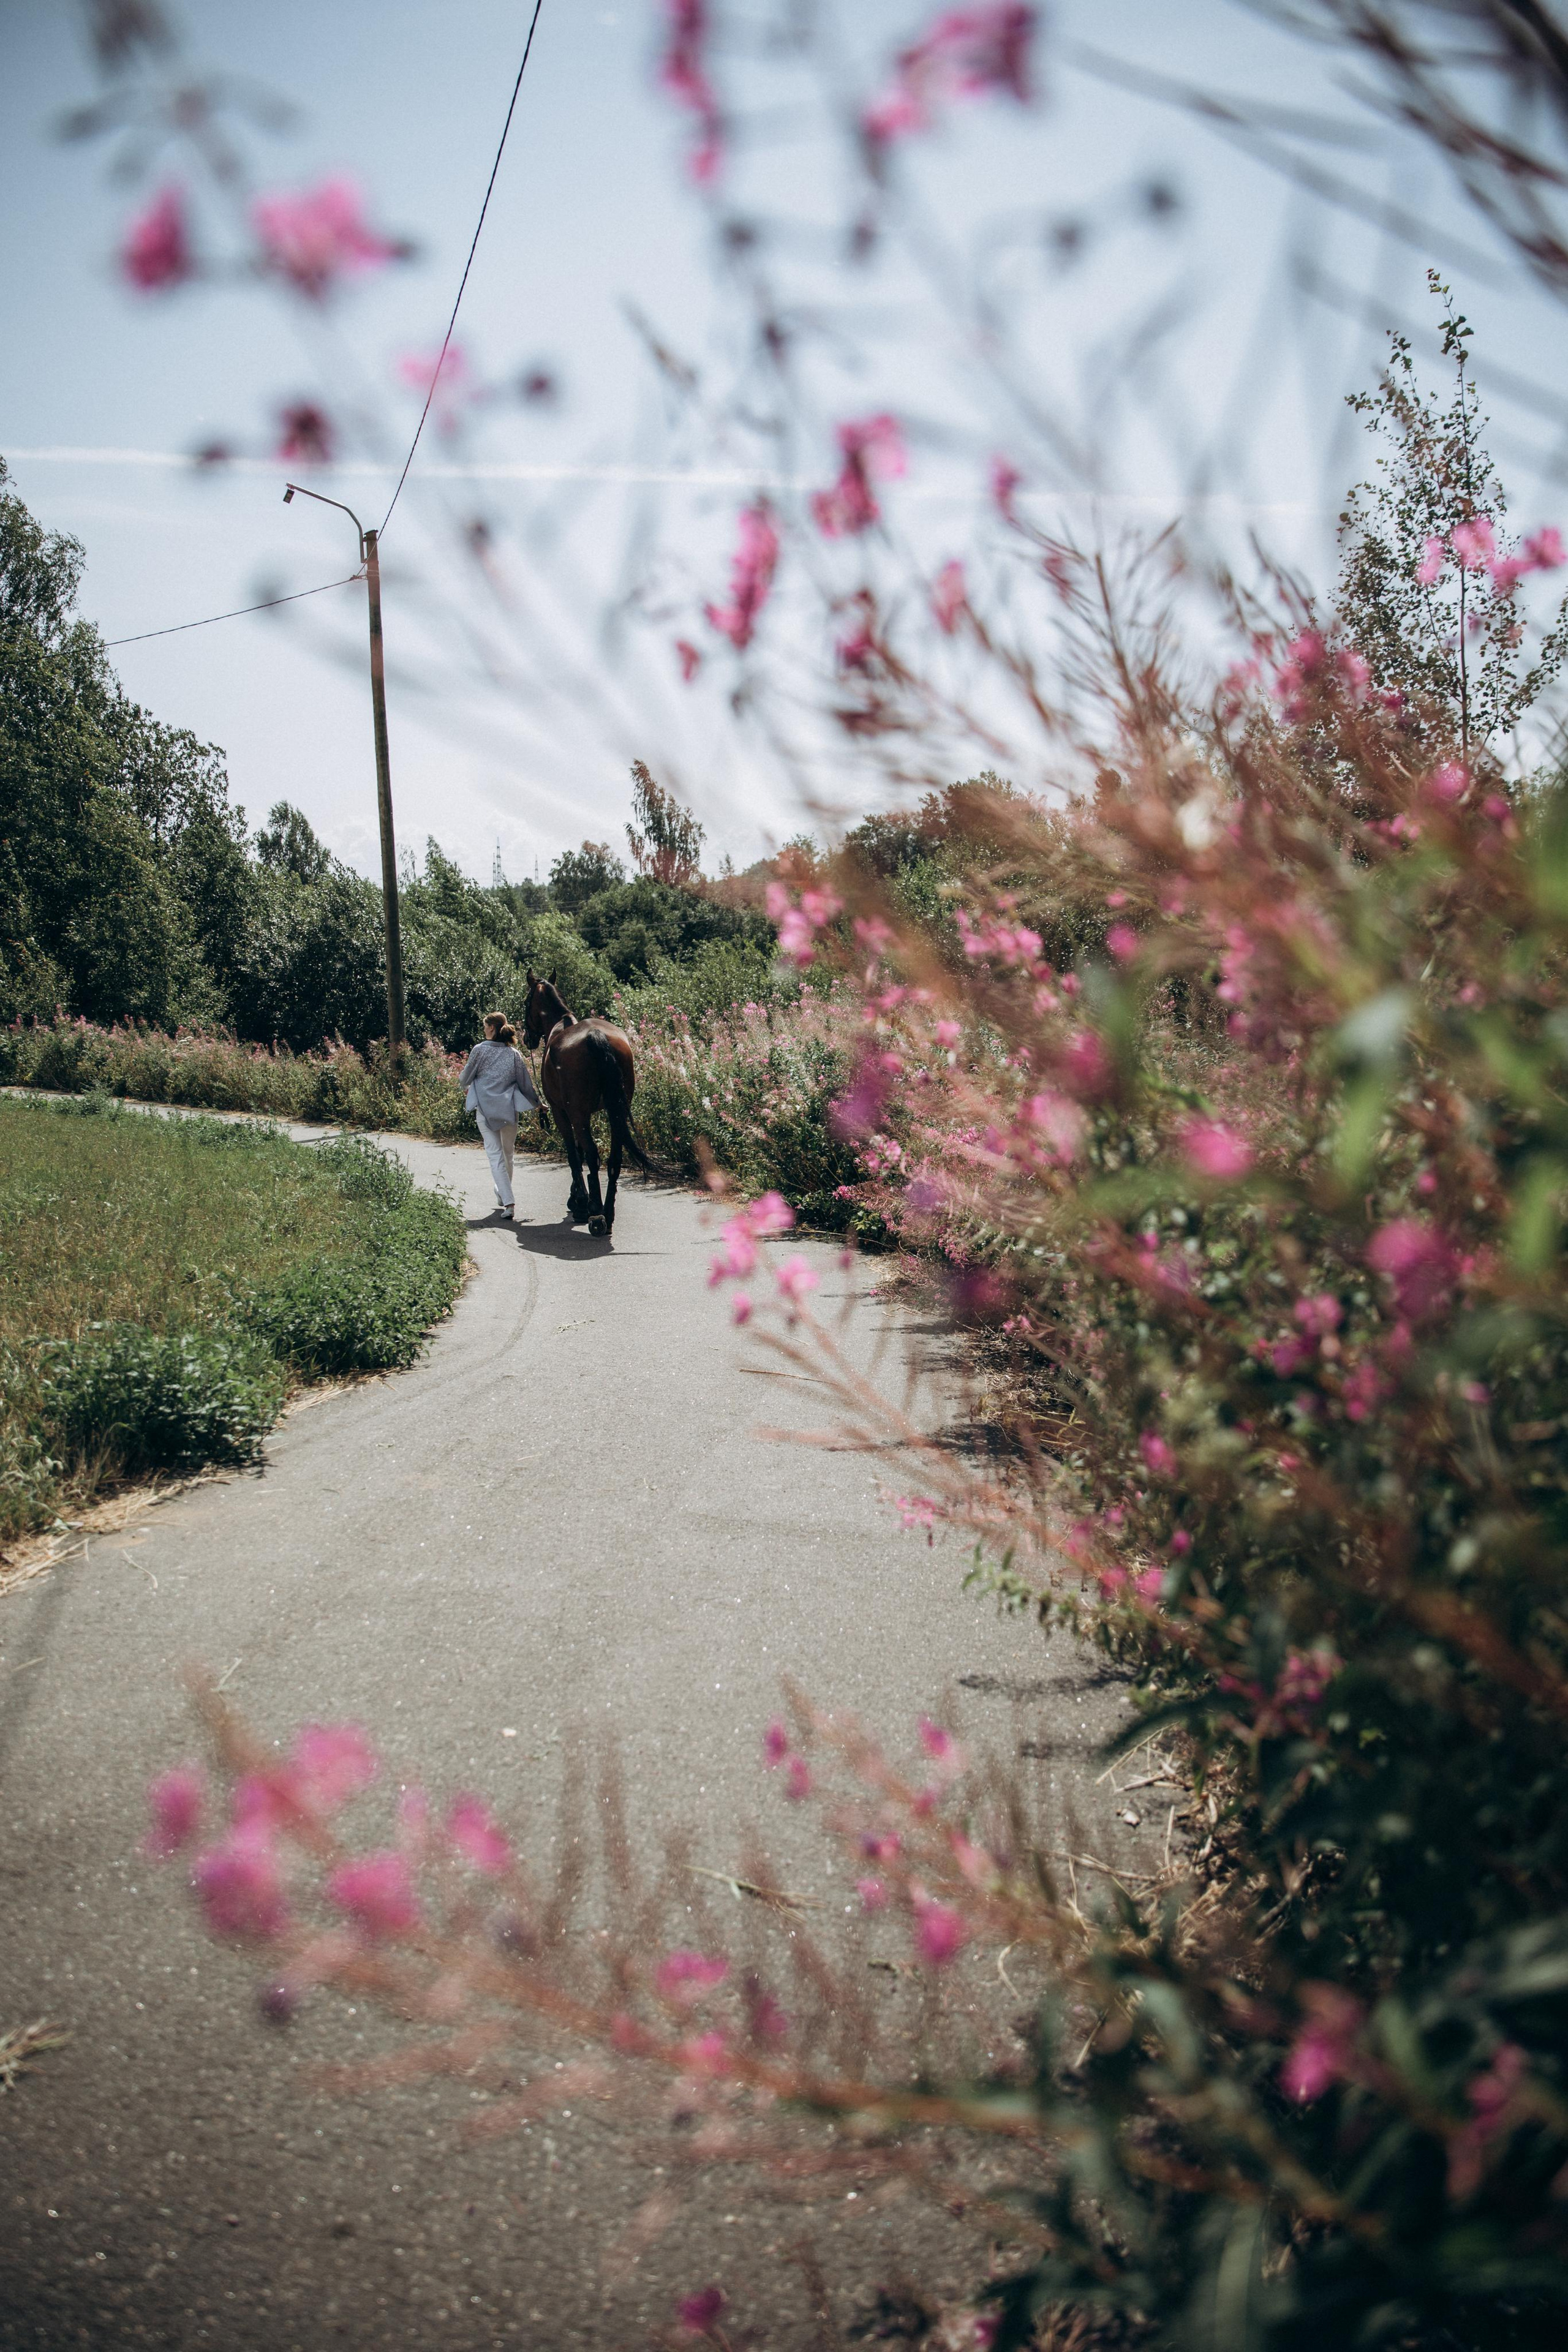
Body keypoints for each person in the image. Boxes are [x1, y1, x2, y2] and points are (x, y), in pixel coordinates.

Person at [459, 1012, 539, 1220]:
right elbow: (526, 1084)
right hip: (509, 1111)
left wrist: (471, 1078)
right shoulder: (514, 1054)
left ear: (492, 1028)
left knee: (496, 1156)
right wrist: (539, 1104)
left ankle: (509, 1202)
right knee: (508, 1154)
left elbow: (465, 1079)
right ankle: (504, 1195)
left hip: (485, 1112)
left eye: (485, 1026)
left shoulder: (479, 1050)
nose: (484, 1029)